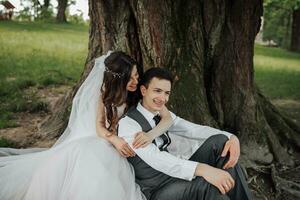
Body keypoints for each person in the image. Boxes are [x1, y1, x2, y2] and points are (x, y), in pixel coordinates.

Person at [0, 51, 172, 200]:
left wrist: (150, 135)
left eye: (136, 75)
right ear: (118, 78)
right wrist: (115, 140)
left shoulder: (140, 93)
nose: (136, 80)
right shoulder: (105, 94)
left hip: (128, 141)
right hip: (106, 140)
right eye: (131, 77)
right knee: (90, 160)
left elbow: (168, 119)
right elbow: (99, 126)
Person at [118, 67, 253, 200]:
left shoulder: (163, 115)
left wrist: (231, 137)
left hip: (175, 176)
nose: (162, 98)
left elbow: (194, 129)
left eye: (166, 93)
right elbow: (157, 159)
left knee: (221, 143)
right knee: (207, 184)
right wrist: (205, 170)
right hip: (157, 190)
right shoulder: (129, 124)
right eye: (157, 91)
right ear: (143, 90)